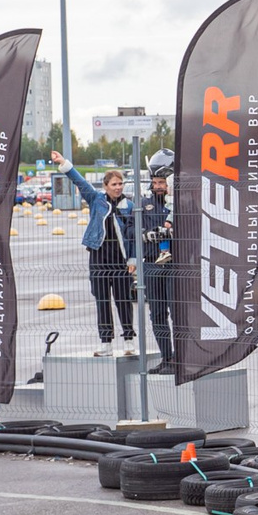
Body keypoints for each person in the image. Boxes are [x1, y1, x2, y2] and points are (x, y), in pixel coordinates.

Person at [52, 152, 139, 349]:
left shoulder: (129, 206)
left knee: (123, 300)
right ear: (106, 186)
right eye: (114, 184)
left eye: (120, 184)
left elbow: (132, 235)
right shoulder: (96, 200)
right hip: (99, 257)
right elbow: (80, 182)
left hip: (120, 259)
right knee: (102, 300)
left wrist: (132, 259)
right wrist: (63, 163)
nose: (118, 188)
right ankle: (106, 342)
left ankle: (128, 339)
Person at [141, 165, 176, 374]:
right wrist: (146, 234)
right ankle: (167, 358)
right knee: (157, 314)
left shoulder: (181, 204)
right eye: (154, 183)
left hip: (176, 264)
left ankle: (182, 358)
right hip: (152, 263)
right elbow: (130, 229)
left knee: (177, 311)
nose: (158, 187)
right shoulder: (144, 205)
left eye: (161, 183)